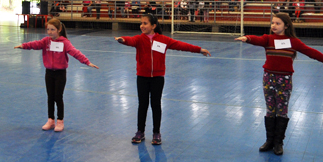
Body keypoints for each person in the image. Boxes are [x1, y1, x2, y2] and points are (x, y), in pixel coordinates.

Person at [235, 13, 323, 155]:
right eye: (273, 23)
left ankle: (278, 143)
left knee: (282, 110)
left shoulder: (293, 42)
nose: (274, 26)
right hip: (268, 78)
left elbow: (312, 52)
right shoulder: (268, 39)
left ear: (286, 26)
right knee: (270, 110)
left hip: (284, 79)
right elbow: (257, 39)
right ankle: (269, 141)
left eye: (278, 23)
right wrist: (247, 38)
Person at [115, 14, 211, 145]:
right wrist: (123, 39)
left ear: (153, 26)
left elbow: (181, 45)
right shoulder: (139, 39)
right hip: (142, 77)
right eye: (141, 23)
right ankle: (140, 132)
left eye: (145, 23)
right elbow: (130, 40)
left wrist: (199, 50)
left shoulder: (163, 40)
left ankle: (156, 133)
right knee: (142, 105)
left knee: (156, 105)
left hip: (158, 78)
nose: (142, 26)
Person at [15, 18, 99, 132]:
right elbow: (35, 44)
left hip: (60, 73)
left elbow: (75, 52)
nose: (49, 32)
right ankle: (50, 120)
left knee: (58, 97)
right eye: (48, 29)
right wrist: (24, 45)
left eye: (52, 29)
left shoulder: (65, 43)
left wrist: (87, 62)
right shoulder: (46, 41)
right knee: (50, 97)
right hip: (49, 73)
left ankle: (60, 121)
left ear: (59, 30)